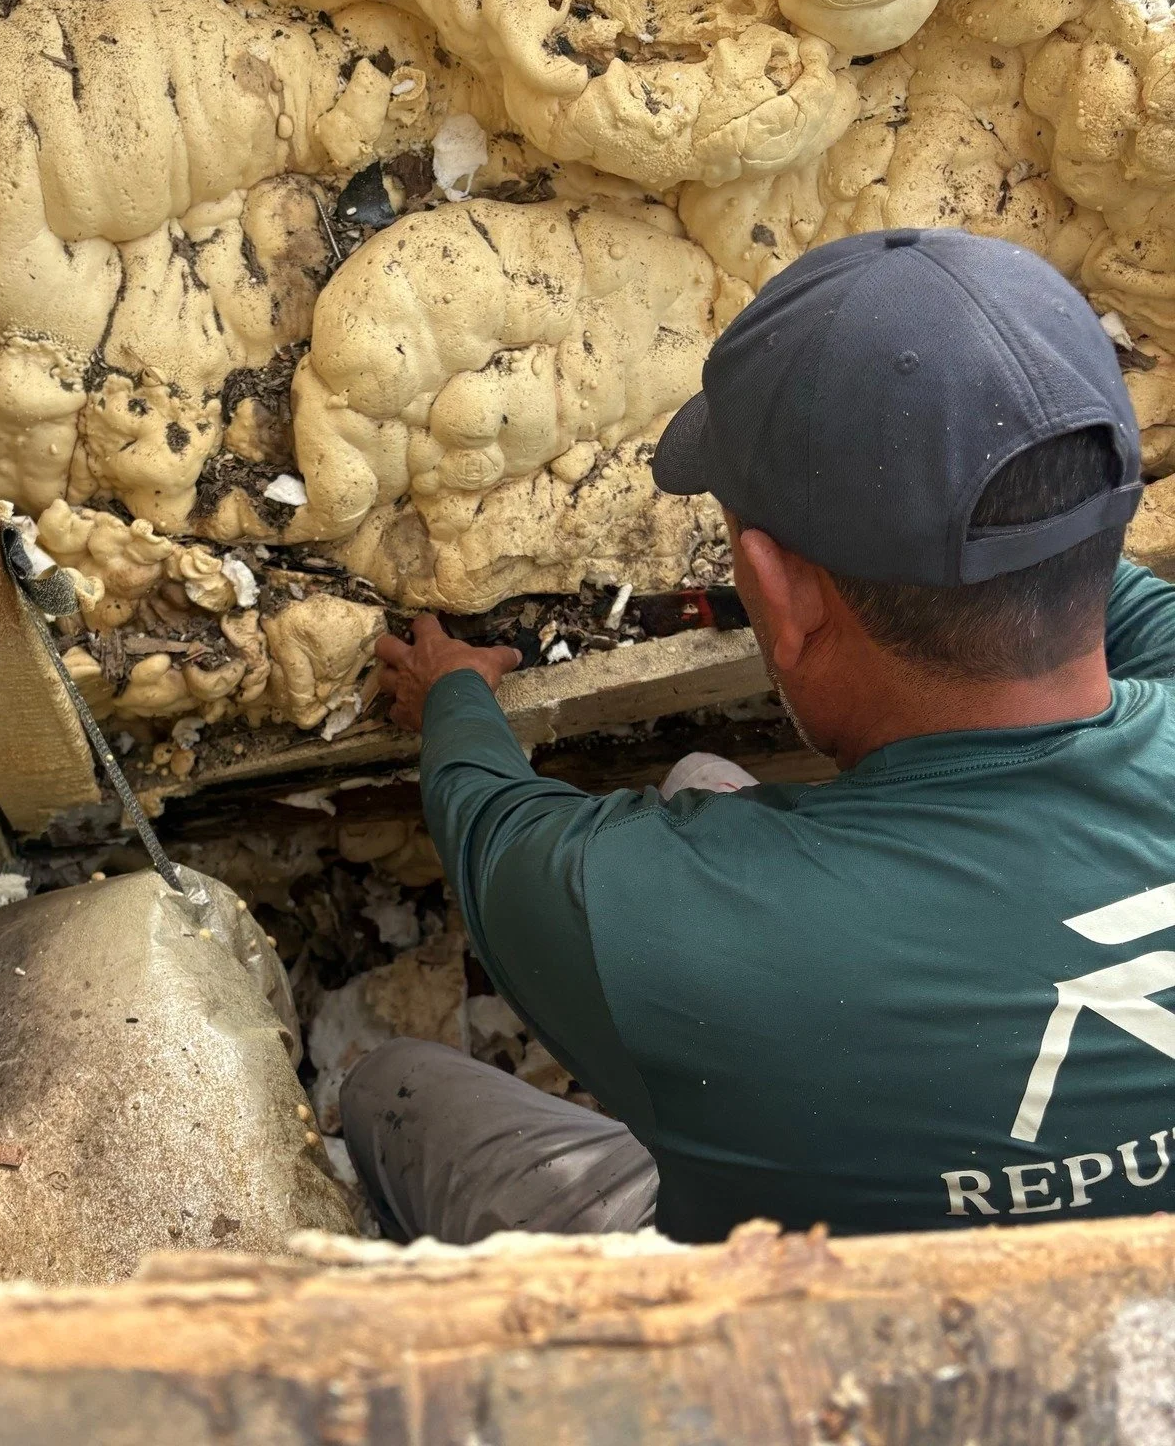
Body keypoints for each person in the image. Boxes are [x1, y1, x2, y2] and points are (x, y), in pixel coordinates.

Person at [343, 226, 1175, 1245]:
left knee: (388, 1088)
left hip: (799, 1329)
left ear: (783, 598)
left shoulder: (662, 924)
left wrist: (452, 696)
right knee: (704, 779)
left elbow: (491, 823)